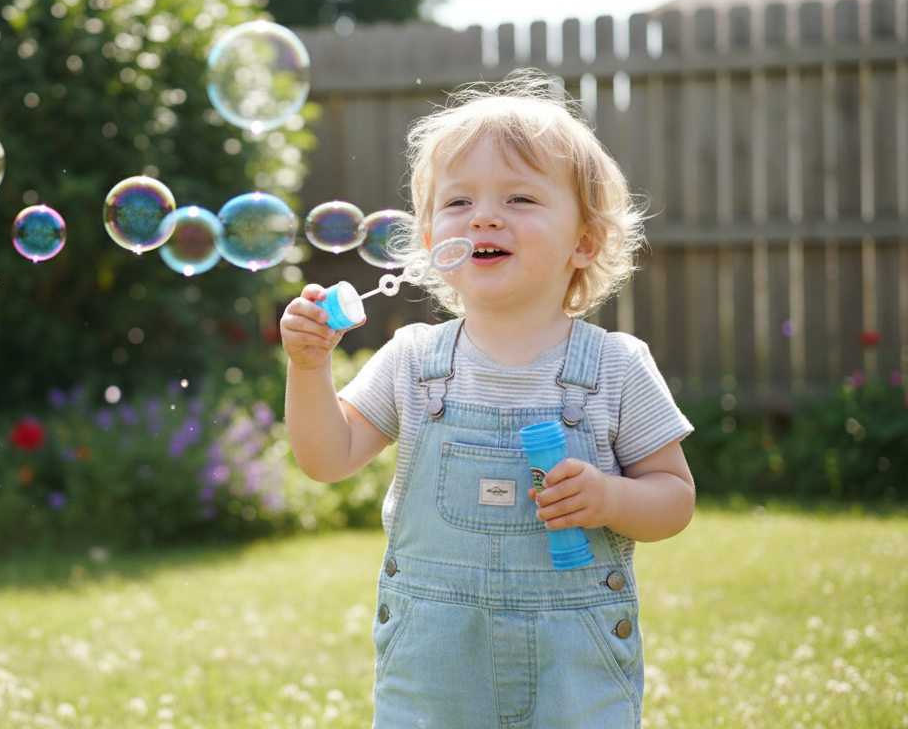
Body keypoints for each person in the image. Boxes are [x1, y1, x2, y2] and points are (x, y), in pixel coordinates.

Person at [279, 72, 695, 728]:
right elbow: (325, 460)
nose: (485, 216)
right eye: (458, 202)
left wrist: (612, 499)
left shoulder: (616, 365)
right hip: (435, 672)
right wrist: (308, 369)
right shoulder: (414, 361)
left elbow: (674, 498)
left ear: (584, 241)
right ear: (428, 241)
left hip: (574, 674)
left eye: (521, 197)